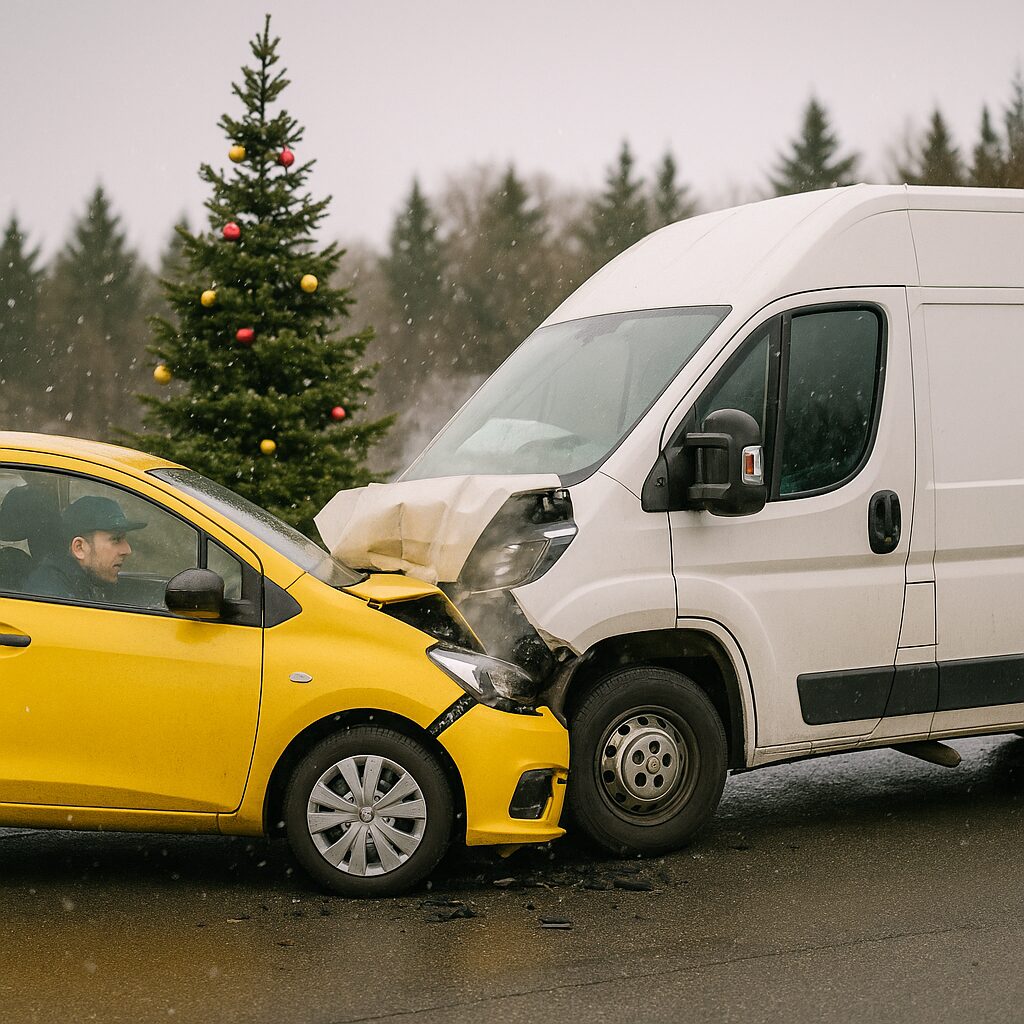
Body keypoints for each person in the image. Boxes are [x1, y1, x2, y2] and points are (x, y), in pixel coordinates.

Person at [26, 495, 146, 602]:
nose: (127, 550)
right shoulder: (52, 596)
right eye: (116, 539)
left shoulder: (81, 581)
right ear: (79, 548)